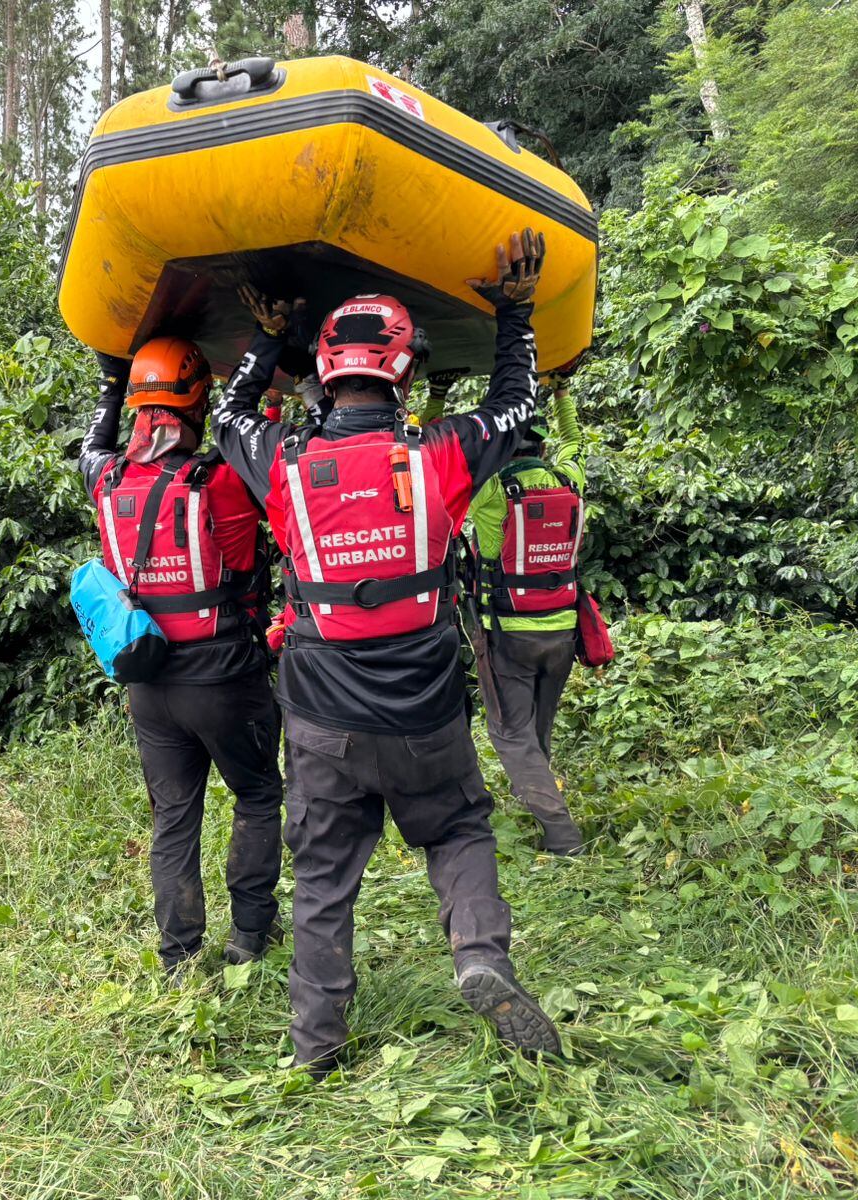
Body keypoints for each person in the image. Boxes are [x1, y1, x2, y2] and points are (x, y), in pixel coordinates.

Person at [211, 230, 563, 1074]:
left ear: (325, 373)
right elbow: (517, 408)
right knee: (456, 831)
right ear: (404, 374)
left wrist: (265, 341)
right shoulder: (439, 454)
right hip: (424, 713)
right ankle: (480, 955)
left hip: (324, 718)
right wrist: (513, 314)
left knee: (325, 876)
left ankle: (315, 1047)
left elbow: (225, 417)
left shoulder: (282, 464)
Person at [79, 338, 284, 979]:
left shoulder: (106, 479)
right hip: (223, 674)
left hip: (149, 680)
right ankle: (250, 933)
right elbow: (258, 455)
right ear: (197, 403)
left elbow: (93, 444)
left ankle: (178, 957)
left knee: (173, 817)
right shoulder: (220, 481)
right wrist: (265, 347)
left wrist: (112, 382)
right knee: (256, 796)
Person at [468, 365, 588, 855]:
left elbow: (442, 465)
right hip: (562, 631)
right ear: (541, 448)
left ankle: (561, 833)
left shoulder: (491, 493)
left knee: (510, 734)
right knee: (538, 726)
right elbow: (576, 445)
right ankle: (537, 803)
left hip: (508, 636)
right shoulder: (571, 482)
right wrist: (562, 393)